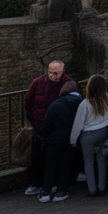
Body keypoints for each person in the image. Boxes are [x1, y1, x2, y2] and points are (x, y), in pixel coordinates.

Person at [23, 60, 72, 196]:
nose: (53, 76)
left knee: (55, 158)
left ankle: (55, 184)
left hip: (57, 128)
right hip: (40, 126)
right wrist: (33, 119)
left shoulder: (67, 84)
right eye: (50, 73)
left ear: (62, 72)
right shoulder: (38, 83)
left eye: (56, 73)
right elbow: (28, 100)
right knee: (37, 156)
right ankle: (36, 184)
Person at [38, 80, 82, 202]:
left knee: (50, 165)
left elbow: (46, 125)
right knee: (65, 165)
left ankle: (46, 191)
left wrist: (45, 137)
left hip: (54, 139)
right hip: (70, 139)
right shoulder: (80, 104)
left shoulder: (55, 104)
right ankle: (61, 190)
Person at [71, 74, 108, 196]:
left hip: (88, 135)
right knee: (101, 160)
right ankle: (102, 187)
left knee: (88, 162)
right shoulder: (107, 99)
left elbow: (78, 123)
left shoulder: (85, 104)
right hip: (103, 131)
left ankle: (92, 190)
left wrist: (73, 140)